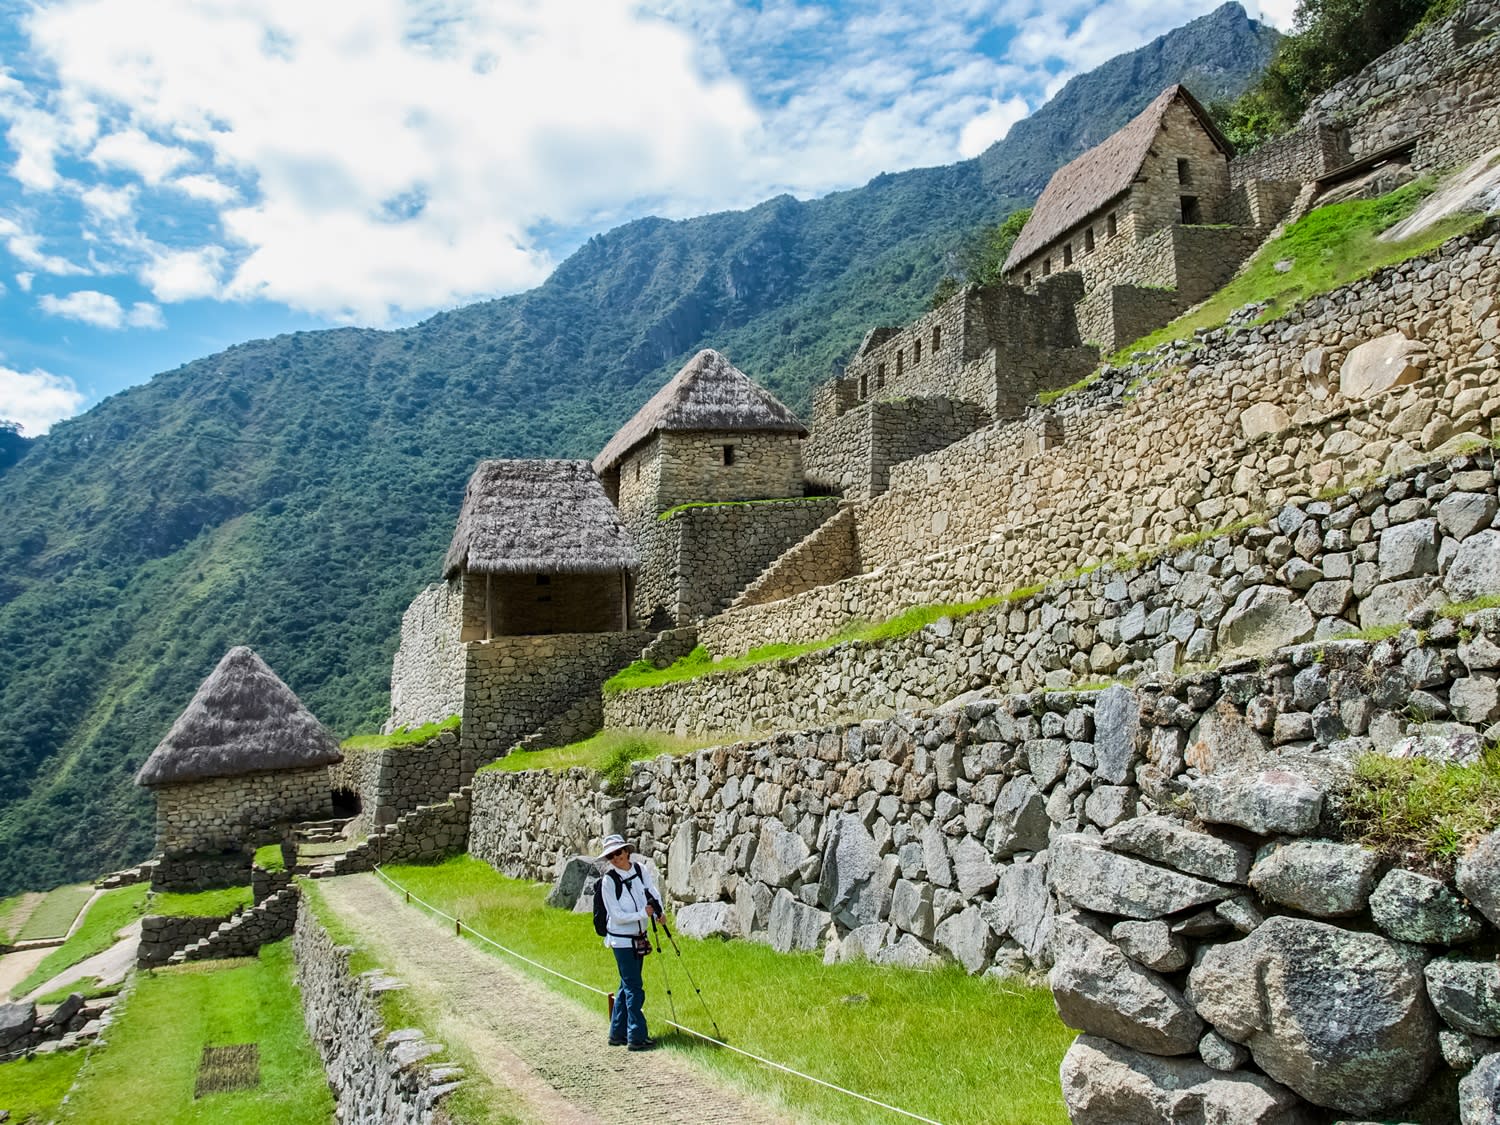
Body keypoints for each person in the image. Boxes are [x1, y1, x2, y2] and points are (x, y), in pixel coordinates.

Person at [597, 832, 663, 1051]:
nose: (616, 858)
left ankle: (617, 1033)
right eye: (611, 856)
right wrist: (642, 914)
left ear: (627, 851)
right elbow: (615, 915)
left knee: (627, 986)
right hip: (621, 941)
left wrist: (657, 912)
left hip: (639, 938)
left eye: (619, 852)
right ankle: (636, 1036)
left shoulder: (640, 870)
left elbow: (652, 892)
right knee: (635, 987)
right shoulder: (608, 881)